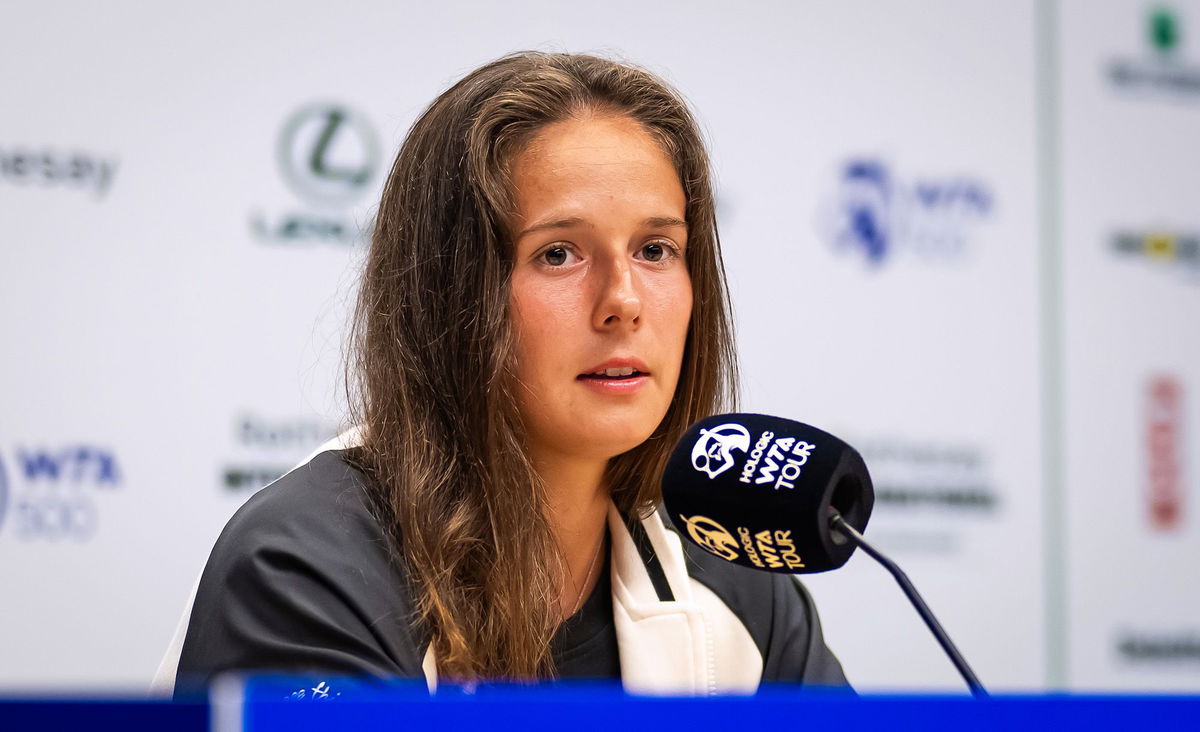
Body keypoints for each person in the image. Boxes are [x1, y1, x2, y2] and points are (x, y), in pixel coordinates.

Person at [154, 51, 850, 696]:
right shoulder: (308, 566)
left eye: (656, 248)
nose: (625, 302)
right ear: (449, 294)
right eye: (558, 254)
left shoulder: (730, 577)